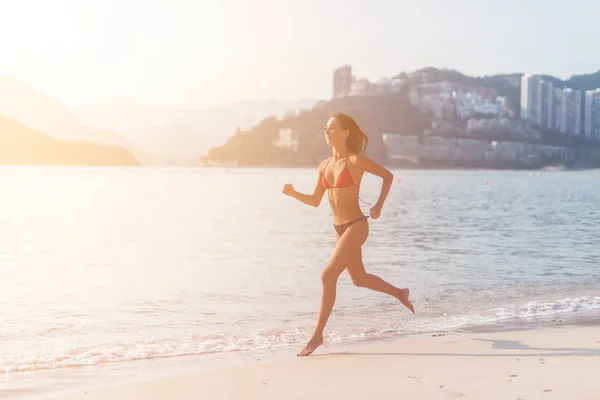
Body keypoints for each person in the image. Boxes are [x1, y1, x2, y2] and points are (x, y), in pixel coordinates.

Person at [282, 112, 415, 357]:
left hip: (356, 225)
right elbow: (314, 201)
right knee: (359, 279)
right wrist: (293, 194)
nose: (328, 131)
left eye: (333, 127)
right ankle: (399, 293)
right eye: (326, 127)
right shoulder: (323, 166)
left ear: (345, 133)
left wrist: (378, 206)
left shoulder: (356, 161)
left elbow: (388, 176)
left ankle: (317, 335)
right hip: (339, 229)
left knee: (327, 275)